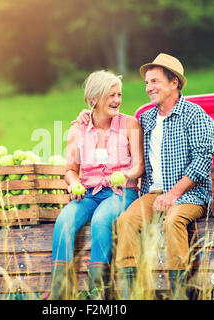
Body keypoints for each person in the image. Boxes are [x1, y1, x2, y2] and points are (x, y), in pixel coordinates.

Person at [76, 53, 214, 299]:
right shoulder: (146, 118)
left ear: (174, 83)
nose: (149, 88)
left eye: (155, 82)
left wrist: (173, 194)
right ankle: (133, 293)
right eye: (147, 83)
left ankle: (180, 293)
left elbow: (202, 161)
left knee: (173, 221)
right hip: (153, 194)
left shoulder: (194, 115)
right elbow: (114, 124)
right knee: (126, 222)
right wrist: (88, 114)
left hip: (191, 195)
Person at [51, 70, 145, 300]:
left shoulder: (130, 125)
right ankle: (60, 295)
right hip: (89, 194)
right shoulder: (77, 129)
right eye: (110, 95)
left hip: (121, 193)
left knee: (102, 219)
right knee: (64, 221)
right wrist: (74, 184)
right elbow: (71, 171)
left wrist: (125, 174)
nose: (117, 100)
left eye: (119, 94)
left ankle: (97, 293)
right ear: (94, 99)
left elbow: (139, 167)